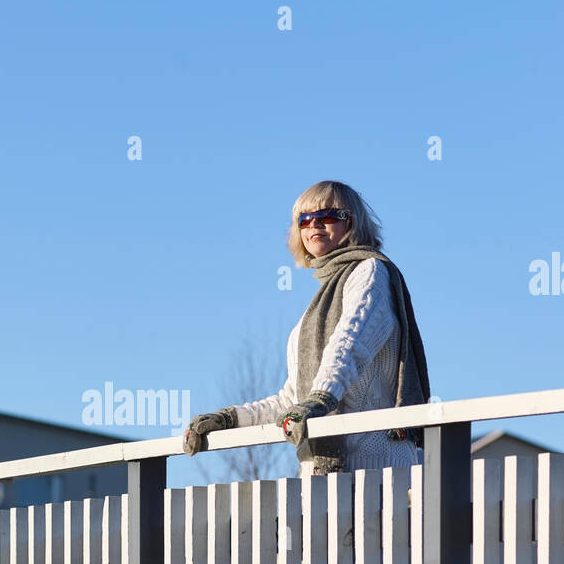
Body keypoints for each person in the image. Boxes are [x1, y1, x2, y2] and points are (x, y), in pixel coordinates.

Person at [183, 180, 431, 475]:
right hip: (320, 478)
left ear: (352, 222)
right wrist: (227, 419)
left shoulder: (370, 273)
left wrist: (319, 400)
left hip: (377, 470)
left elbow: (349, 346)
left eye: (327, 215)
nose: (314, 224)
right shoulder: (316, 309)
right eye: (304, 219)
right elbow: (294, 399)